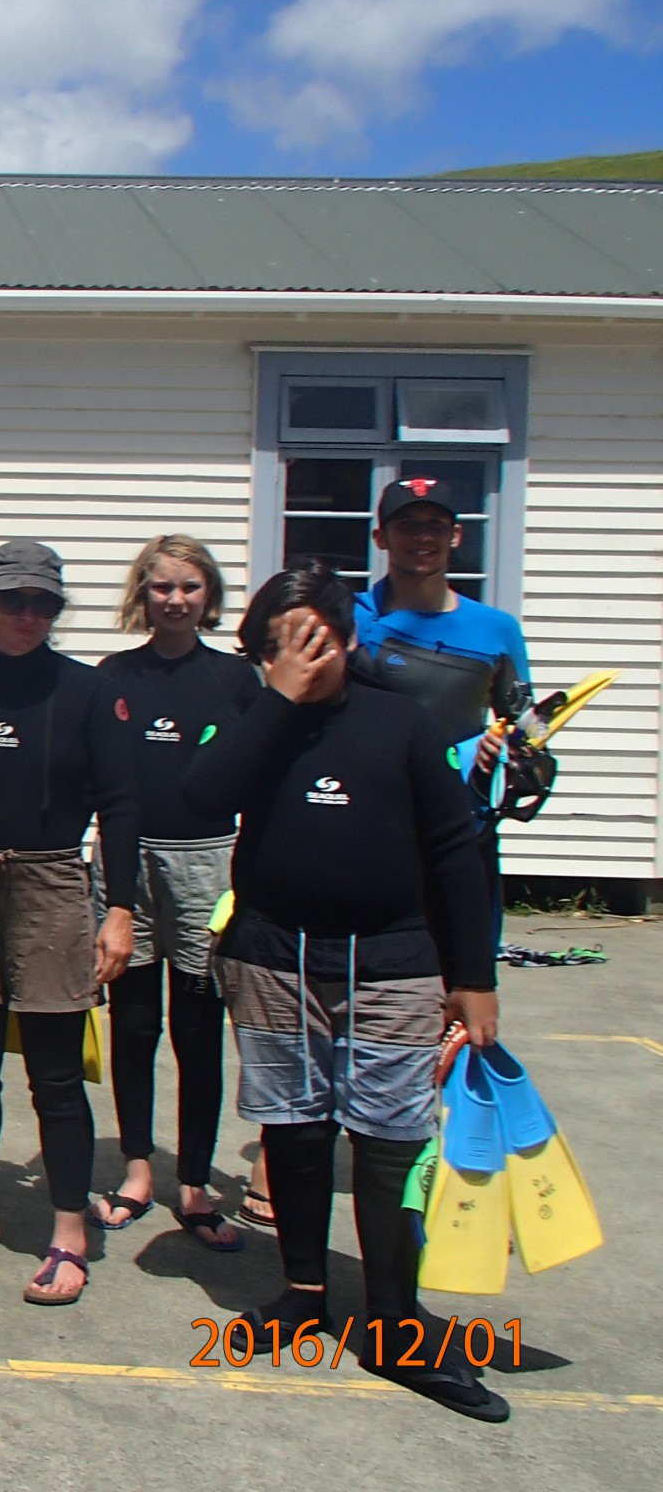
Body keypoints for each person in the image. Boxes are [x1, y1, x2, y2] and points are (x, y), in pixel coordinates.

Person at [184, 561, 506, 1422]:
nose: (299, 653)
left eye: (314, 637)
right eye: (279, 641)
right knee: (291, 1126)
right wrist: (281, 697)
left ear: (349, 636)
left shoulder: (401, 722)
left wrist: (473, 976)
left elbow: (454, 854)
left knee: (389, 1137)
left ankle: (397, 1321)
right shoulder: (258, 719)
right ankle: (302, 1294)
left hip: (394, 962)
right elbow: (203, 798)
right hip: (274, 957)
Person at [0, 539, 137, 1306]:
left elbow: (120, 806)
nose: (26, 616)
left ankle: (69, 1230)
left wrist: (118, 909)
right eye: (12, 601)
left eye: (43, 603)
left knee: (54, 1071)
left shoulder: (87, 691)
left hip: (50, 880)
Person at [91, 536, 258, 1250]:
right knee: (133, 1024)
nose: (176, 600)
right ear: (142, 594)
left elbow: (261, 778)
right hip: (129, 861)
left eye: (190, 587)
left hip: (207, 863)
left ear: (209, 596)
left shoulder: (237, 679)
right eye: (162, 587)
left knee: (197, 1029)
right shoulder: (114, 675)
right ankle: (136, 1168)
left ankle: (192, 1182)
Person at [351, 478, 532, 940]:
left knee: (461, 980)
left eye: (436, 525)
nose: (422, 538)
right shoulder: (347, 618)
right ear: (380, 538)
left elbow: (525, 729)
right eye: (407, 525)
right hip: (364, 824)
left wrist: (509, 755)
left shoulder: (496, 629)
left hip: (460, 831)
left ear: (456, 536)